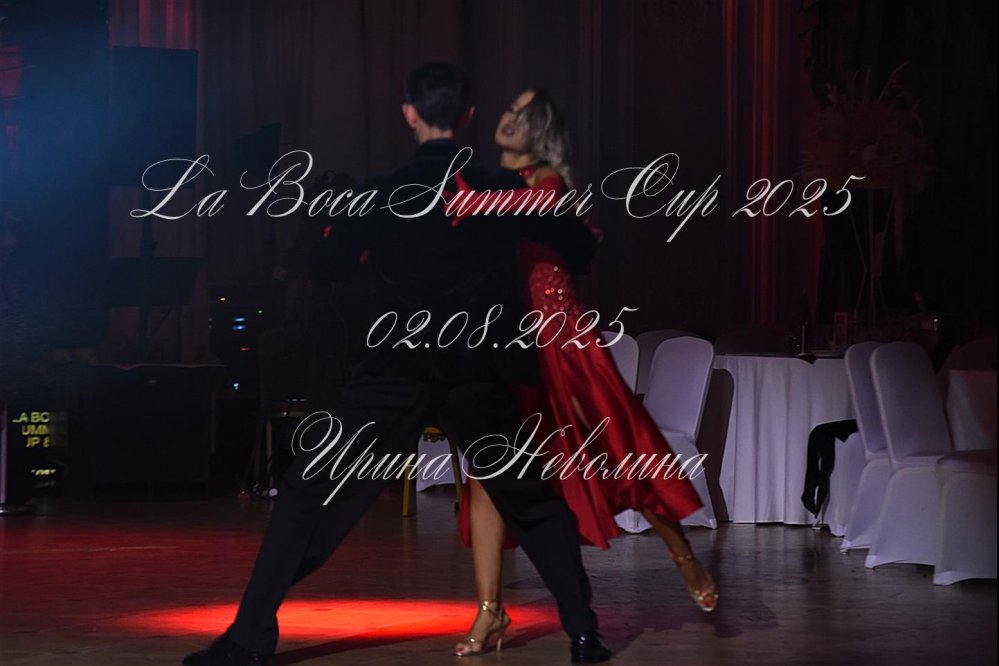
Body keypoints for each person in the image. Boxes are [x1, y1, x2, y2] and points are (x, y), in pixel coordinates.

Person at [182, 65, 611, 666]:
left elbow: (326, 266)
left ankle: (248, 639)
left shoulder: (383, 190)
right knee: (532, 499)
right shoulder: (500, 188)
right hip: (474, 371)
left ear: (409, 113)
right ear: (467, 115)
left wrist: (347, 230)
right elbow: (580, 249)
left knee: (308, 489)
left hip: (398, 371)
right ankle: (584, 634)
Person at [448, 89, 719, 658]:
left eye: (521, 115)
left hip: (562, 342)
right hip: (508, 339)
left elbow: (506, 211)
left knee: (617, 453)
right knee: (487, 471)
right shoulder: (488, 183)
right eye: (507, 109)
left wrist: (461, 200)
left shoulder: (546, 183)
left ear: (540, 130)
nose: (507, 118)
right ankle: (490, 609)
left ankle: (682, 553)